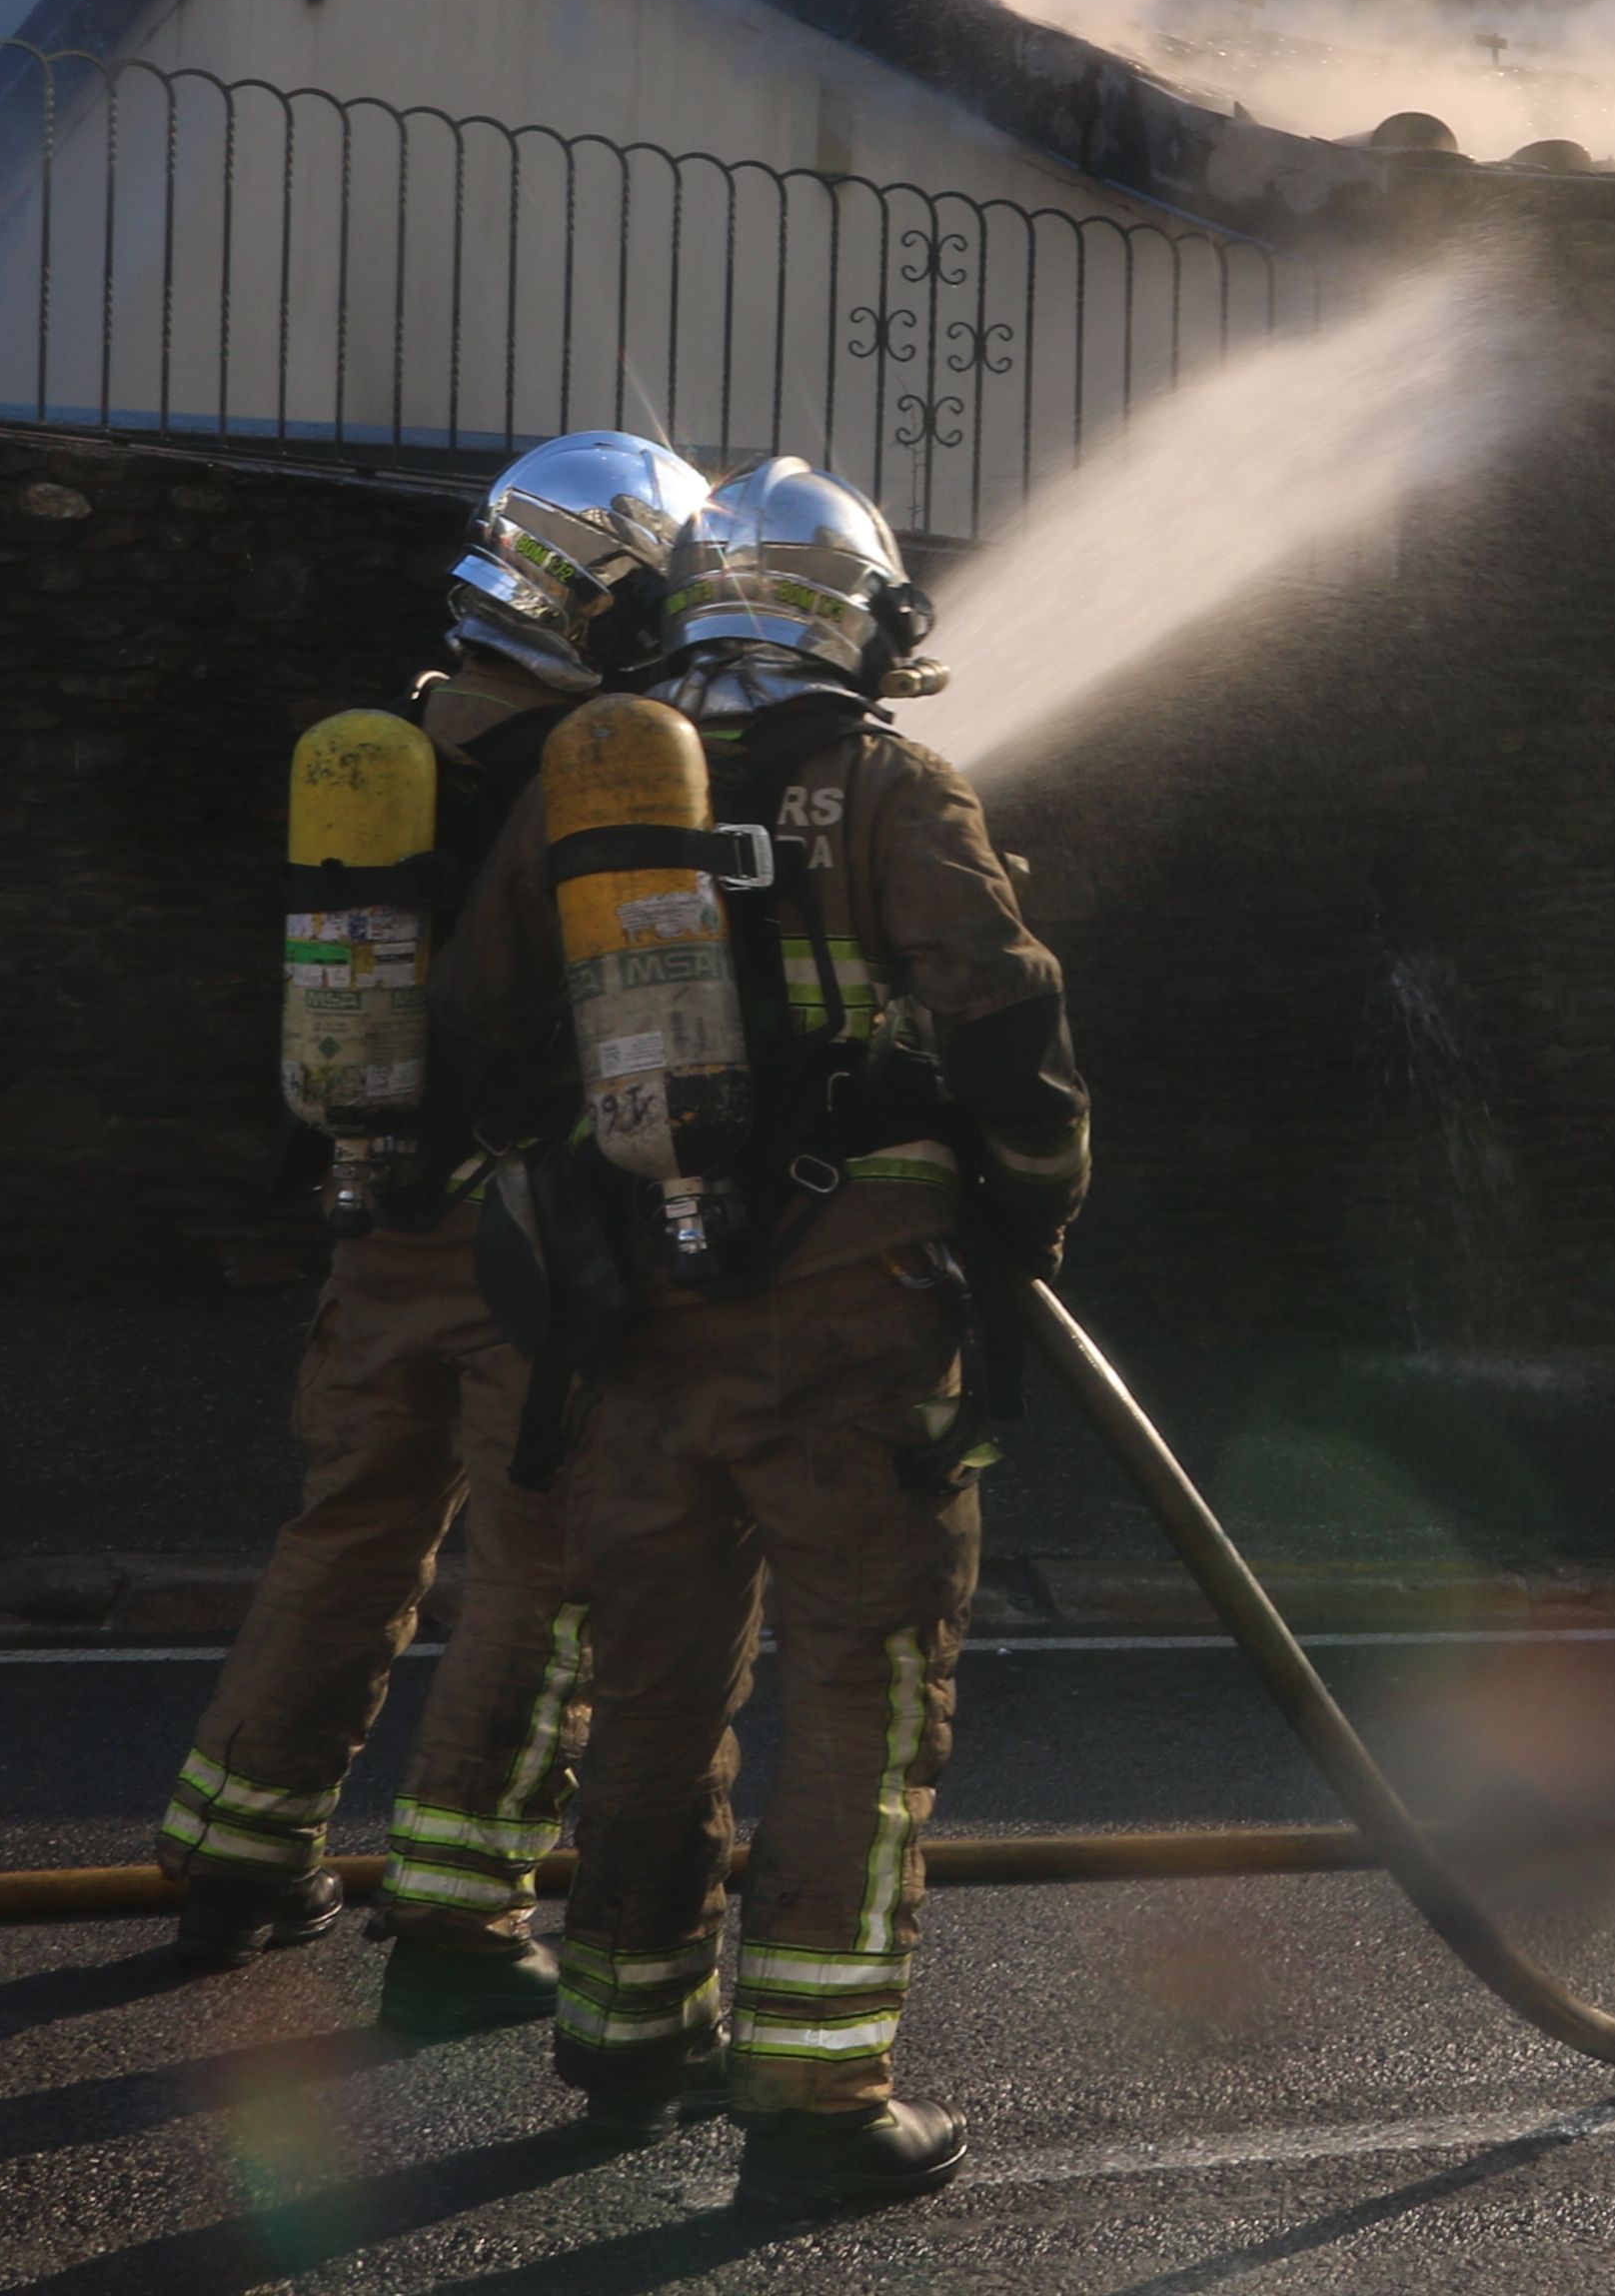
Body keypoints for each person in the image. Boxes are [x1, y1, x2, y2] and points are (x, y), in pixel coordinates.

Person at [443, 455, 1088, 2216]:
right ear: (861, 618)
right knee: (861, 1689)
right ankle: (812, 2097)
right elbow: (1005, 1024)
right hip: (853, 1324)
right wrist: (1025, 1221)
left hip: (637, 1324)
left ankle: (622, 2026)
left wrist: (613, 1185)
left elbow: (485, 1038)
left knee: (654, 1674)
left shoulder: (593, 784)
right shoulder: (887, 785)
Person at [158, 431, 709, 2036]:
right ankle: (466, 1910)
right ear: (612, 605)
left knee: (348, 1532)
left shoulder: (391, 741)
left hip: (375, 1211)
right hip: (528, 1231)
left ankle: (233, 1858)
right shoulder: (607, 769)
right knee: (538, 1567)